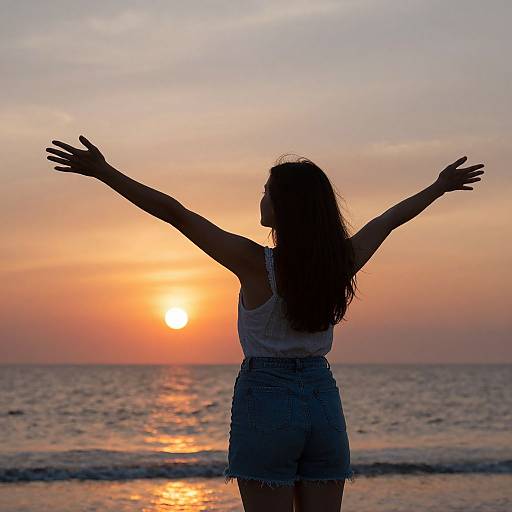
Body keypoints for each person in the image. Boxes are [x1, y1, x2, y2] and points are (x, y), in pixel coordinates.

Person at [46, 136, 485, 511]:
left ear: (285, 206)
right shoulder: (339, 263)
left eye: (266, 192)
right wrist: (438, 188)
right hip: (323, 402)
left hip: (268, 400)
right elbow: (388, 220)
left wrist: (106, 173)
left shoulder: (254, 263)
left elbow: (176, 213)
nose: (261, 198)